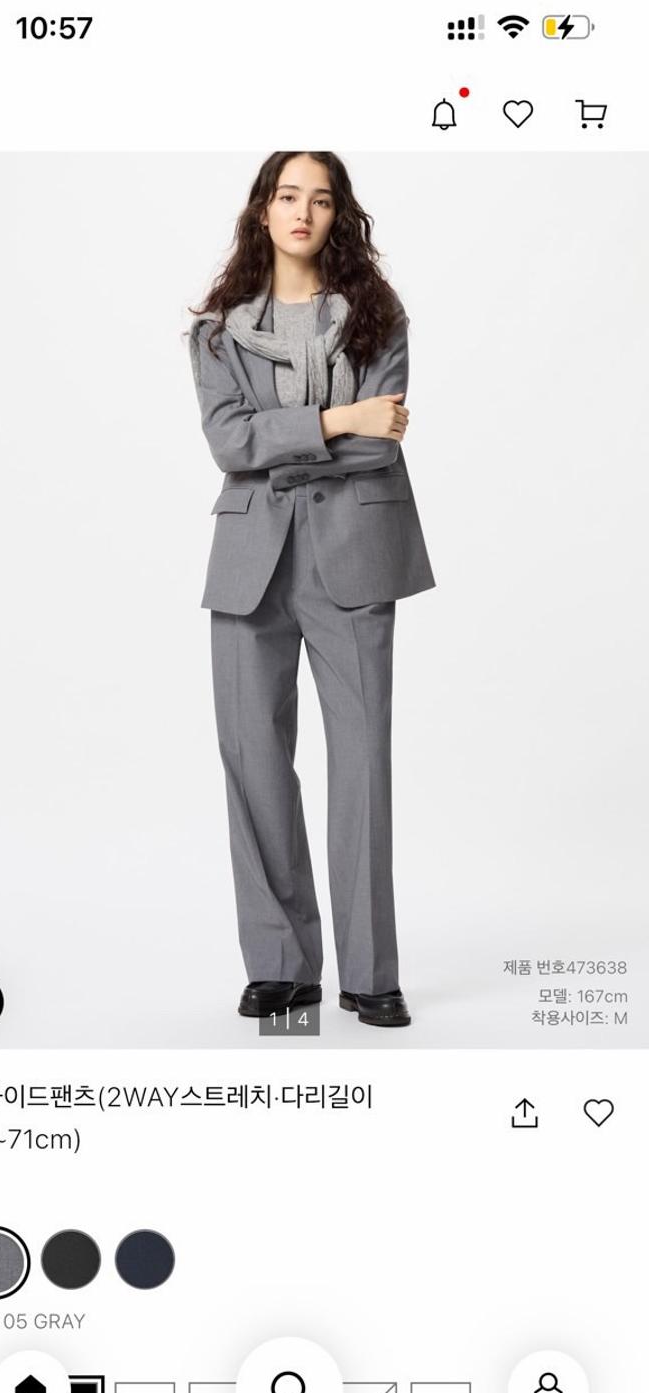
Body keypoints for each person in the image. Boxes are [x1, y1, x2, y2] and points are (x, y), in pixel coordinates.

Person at [188, 150, 435, 1027]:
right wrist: (337, 418)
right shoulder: (217, 332)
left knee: (362, 763)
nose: (303, 212)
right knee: (253, 760)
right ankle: (281, 967)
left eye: (321, 200)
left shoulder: (378, 315)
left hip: (356, 554)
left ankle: (370, 974)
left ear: (339, 216)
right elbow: (228, 442)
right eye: (288, 196)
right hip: (250, 561)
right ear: (263, 210)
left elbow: (382, 442)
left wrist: (288, 437)